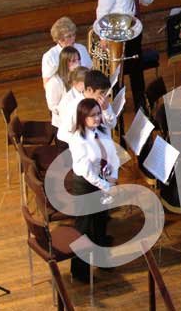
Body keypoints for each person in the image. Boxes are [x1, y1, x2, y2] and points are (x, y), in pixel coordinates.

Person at [68, 98, 120, 283]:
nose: (97, 118)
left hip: (104, 181)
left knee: (100, 223)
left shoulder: (102, 130)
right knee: (84, 228)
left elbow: (113, 155)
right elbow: (86, 172)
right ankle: (79, 270)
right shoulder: (78, 139)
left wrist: (113, 176)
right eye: (93, 116)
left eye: (98, 114)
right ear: (83, 118)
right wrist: (107, 186)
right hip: (85, 186)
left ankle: (102, 260)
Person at [95, 0, 156, 110]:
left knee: (137, 68)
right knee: (117, 72)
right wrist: (103, 36)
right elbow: (102, 10)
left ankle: (140, 105)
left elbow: (145, 0)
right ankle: (116, 107)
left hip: (133, 30)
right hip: (116, 33)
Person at [58, 70, 117, 144]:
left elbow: (112, 124)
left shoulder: (102, 103)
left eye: (105, 92)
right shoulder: (74, 107)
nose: (104, 96)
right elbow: (62, 134)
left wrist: (106, 110)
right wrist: (84, 142)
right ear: (89, 89)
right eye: (101, 92)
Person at [42, 17, 93, 85]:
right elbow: (47, 84)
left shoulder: (81, 48)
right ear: (59, 39)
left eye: (74, 35)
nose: (73, 38)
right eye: (69, 36)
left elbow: (90, 71)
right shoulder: (49, 56)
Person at [45, 46, 80, 129]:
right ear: (65, 62)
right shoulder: (55, 82)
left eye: (78, 60)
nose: (78, 64)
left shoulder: (78, 76)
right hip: (63, 124)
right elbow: (52, 106)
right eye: (73, 61)